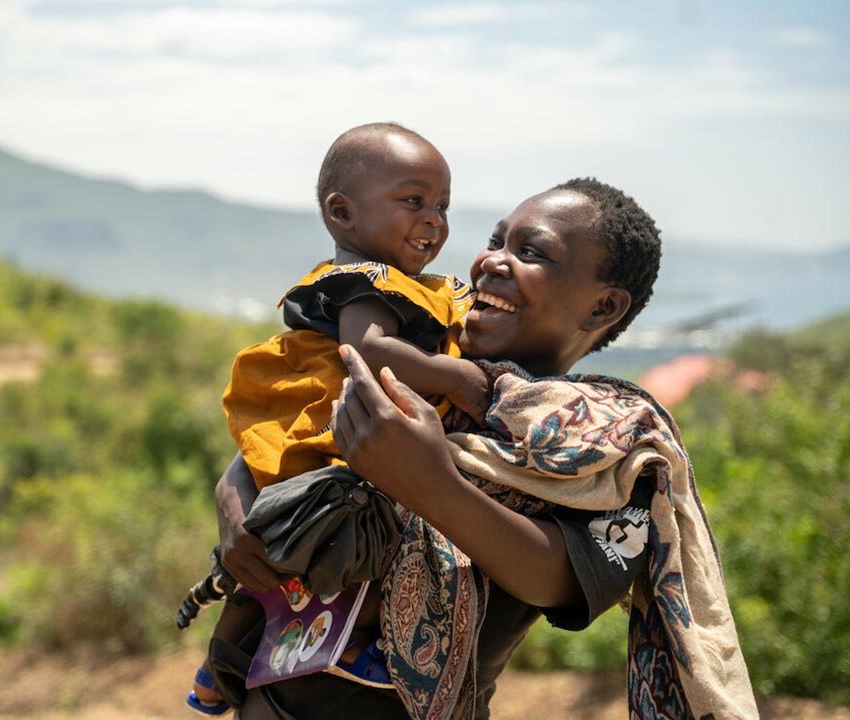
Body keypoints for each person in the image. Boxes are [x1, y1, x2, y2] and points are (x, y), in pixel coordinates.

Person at [213, 179, 759, 719]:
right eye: (496, 241)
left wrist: (430, 482)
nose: (493, 261)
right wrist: (233, 501)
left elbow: (559, 578)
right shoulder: (418, 351)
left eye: (531, 252)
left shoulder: (609, 444)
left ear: (603, 306)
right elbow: (285, 430)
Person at [186, 122, 486, 716]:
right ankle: (339, 649)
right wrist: (457, 378)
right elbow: (367, 353)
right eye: (413, 201)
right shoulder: (366, 284)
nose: (434, 219)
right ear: (342, 213)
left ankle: (216, 670)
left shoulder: (389, 280)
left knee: (270, 555)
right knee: (327, 538)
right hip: (335, 433)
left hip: (324, 431)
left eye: (442, 205)